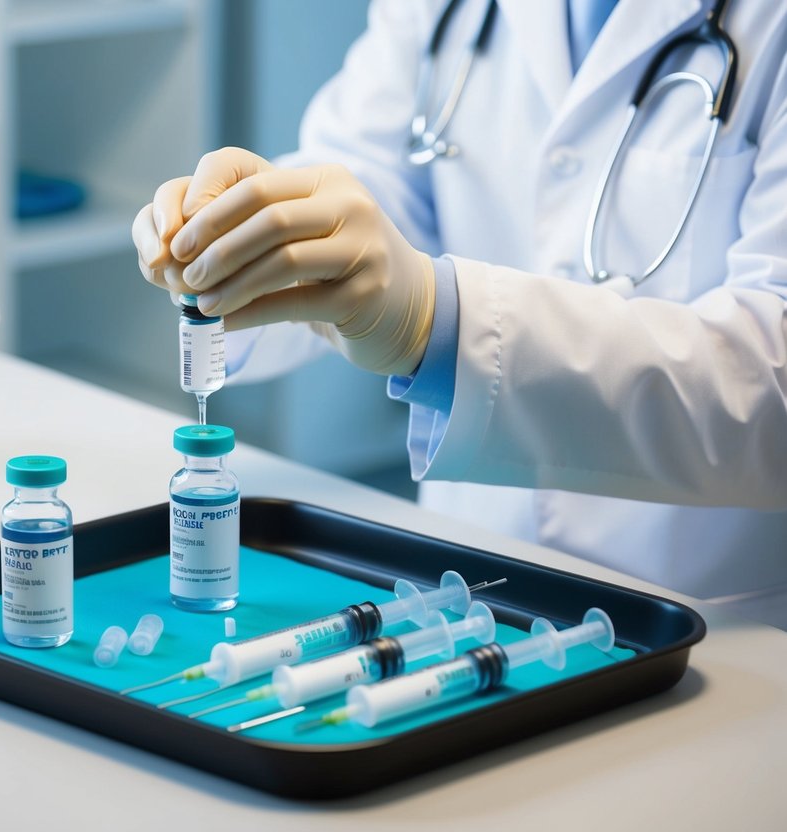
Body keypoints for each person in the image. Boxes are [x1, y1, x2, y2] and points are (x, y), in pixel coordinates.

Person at [131, 0, 787, 628]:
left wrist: (434, 322)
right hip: (461, 575)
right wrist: (254, 226)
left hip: (708, 612)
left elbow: (771, 378)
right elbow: (374, 175)